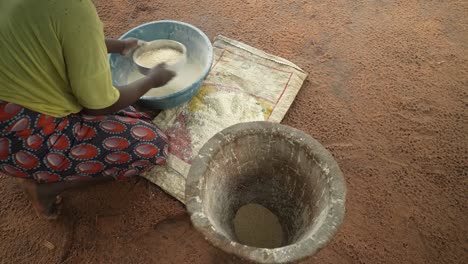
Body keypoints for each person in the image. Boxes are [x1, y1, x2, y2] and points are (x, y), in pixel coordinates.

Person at [0, 0, 175, 219]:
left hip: (9, 122)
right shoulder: (74, 7)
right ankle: (45, 188)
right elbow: (100, 106)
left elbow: (56, 37)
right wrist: (151, 80)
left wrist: (120, 46)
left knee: (118, 98)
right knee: (152, 145)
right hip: (26, 138)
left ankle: (31, 167)